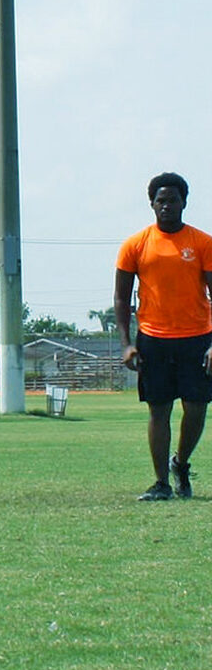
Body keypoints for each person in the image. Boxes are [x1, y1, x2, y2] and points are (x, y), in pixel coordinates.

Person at [114, 172, 212, 501]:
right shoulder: (135, 245)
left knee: (196, 408)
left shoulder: (202, 243)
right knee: (159, 410)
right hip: (153, 339)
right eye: (160, 200)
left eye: (172, 200)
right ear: (151, 204)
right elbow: (121, 299)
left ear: (184, 203)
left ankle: (181, 464)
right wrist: (128, 343)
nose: (166, 205)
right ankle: (160, 483)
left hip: (197, 337)